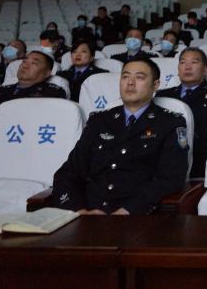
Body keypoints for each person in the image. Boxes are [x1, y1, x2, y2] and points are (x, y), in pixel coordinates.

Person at [51, 58, 188, 215]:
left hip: (137, 215)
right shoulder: (99, 121)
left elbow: (171, 178)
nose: (130, 82)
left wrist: (128, 211)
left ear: (155, 85)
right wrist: (78, 211)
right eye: (125, 76)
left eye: (139, 77)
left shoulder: (169, 122)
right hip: (89, 213)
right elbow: (69, 172)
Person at [156, 48, 207, 178]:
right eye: (183, 62)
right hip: (165, 163)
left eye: (194, 62)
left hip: (203, 163)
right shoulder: (162, 95)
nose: (187, 67)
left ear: (205, 70)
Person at [0, 51, 67, 148]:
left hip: (25, 142)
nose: (25, 66)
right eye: (24, 62)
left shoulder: (53, 93)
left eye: (34, 63)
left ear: (47, 73)